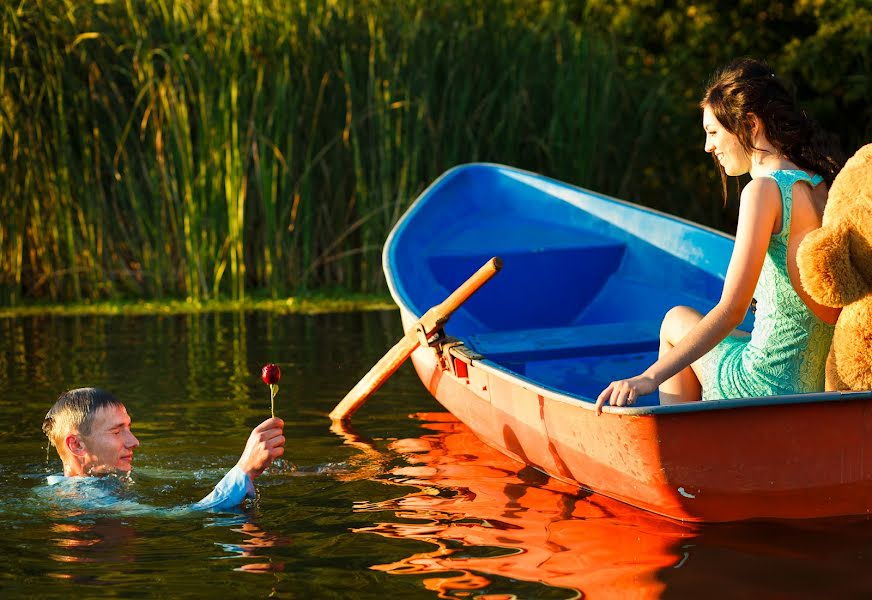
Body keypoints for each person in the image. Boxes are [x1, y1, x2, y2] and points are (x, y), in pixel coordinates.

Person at [595, 58, 845, 413]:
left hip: (762, 386)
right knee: (715, 331)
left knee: (675, 320)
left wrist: (648, 377)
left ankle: (678, 449)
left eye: (713, 132)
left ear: (749, 124)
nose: (707, 147)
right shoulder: (821, 184)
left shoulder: (763, 192)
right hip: (814, 388)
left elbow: (731, 310)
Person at [41, 387, 286, 511]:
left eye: (129, 428)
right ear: (77, 444)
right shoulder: (83, 501)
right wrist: (243, 471)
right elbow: (183, 516)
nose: (134, 441)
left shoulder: (106, 479)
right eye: (117, 432)